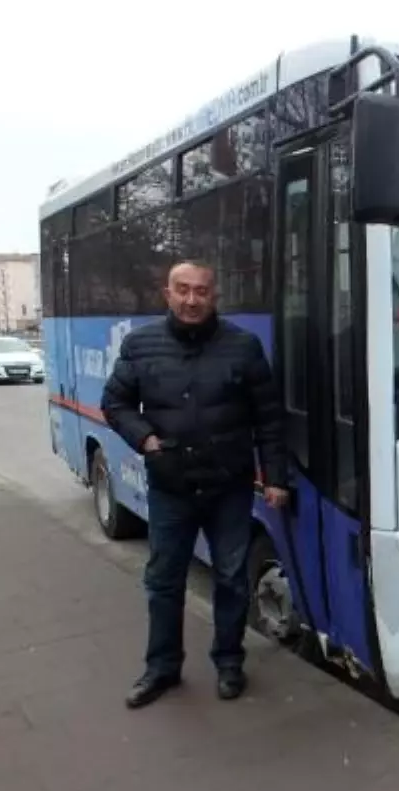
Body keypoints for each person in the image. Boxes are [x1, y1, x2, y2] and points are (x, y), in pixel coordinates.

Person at [102, 260, 289, 709]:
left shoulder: (243, 347)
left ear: (213, 295)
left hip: (229, 486)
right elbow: (115, 402)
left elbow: (268, 418)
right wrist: (146, 441)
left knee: (231, 580)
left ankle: (229, 662)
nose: (191, 299)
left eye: (200, 291)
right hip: (172, 488)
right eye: (182, 290)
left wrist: (276, 479)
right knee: (164, 581)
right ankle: (162, 668)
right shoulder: (141, 345)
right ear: (167, 294)